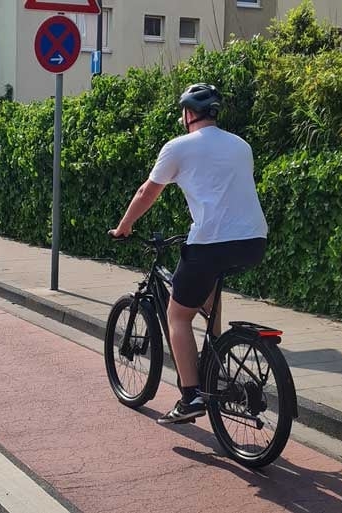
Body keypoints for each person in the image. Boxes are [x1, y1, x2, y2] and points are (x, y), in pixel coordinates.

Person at [108, 83, 269, 425]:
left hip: (210, 243)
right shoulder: (241, 145)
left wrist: (124, 227)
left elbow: (147, 192)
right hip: (253, 241)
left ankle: (191, 396)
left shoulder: (178, 147)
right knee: (208, 294)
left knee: (178, 316)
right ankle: (216, 364)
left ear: (188, 113)